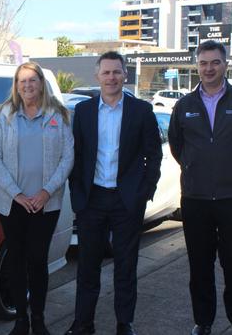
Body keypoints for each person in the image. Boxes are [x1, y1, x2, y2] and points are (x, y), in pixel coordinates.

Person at [168, 40, 232, 335]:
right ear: (197, 66)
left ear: (225, 65)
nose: (208, 68)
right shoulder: (185, 105)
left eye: (214, 62)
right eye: (203, 63)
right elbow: (177, 145)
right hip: (196, 198)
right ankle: (204, 321)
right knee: (200, 264)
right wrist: (196, 166)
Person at [65, 51, 162, 335]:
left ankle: (124, 323)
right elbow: (76, 154)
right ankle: (83, 323)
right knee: (87, 267)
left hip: (126, 201)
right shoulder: (83, 112)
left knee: (126, 266)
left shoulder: (141, 111)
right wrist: (77, 192)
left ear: (125, 75)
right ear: (97, 76)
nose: (111, 77)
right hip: (92, 199)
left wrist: (145, 191)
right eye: (106, 72)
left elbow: (153, 155)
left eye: (116, 72)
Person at [0, 62, 74, 335]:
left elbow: (68, 157)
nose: (27, 86)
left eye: (32, 80)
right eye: (22, 81)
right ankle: (20, 320)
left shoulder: (58, 114)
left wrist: (46, 191)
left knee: (37, 260)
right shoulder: (6, 114)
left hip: (45, 203)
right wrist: (17, 194)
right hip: (12, 203)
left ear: (41, 83)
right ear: (16, 85)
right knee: (16, 260)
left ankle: (38, 319)